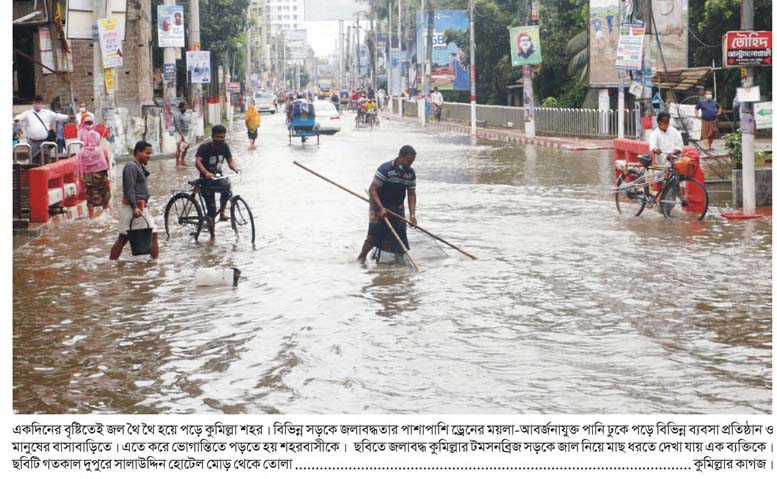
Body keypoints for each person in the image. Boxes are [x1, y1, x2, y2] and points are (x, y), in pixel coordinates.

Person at [357, 145, 418, 263]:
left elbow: (411, 194)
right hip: (379, 204)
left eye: (411, 162)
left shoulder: (410, 174)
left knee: (400, 236)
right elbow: (372, 190)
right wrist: (380, 208)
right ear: (400, 157)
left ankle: (399, 264)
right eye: (408, 161)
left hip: (397, 207)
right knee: (374, 234)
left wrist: (412, 214)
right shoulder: (385, 169)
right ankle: (361, 258)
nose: (409, 165)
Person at [110, 141, 159, 260]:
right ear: (138, 152)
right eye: (147, 153)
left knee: (123, 238)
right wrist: (135, 207)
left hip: (137, 207)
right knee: (152, 234)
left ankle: (112, 263)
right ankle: (155, 264)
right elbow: (129, 189)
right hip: (133, 208)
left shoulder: (138, 166)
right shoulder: (131, 167)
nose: (149, 156)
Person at [194, 125, 241, 238]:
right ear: (212, 136)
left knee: (227, 189)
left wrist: (235, 168)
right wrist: (206, 173)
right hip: (205, 180)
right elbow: (197, 162)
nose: (219, 139)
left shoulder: (224, 147)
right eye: (217, 137)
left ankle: (222, 213)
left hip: (218, 178)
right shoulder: (204, 147)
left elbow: (230, 161)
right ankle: (212, 237)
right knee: (211, 209)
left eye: (222, 137)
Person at [14, 95, 72, 164]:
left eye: (39, 103)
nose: (37, 105)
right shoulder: (27, 113)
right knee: (33, 162)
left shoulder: (47, 113)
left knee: (46, 161)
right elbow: (18, 118)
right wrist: (16, 120)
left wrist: (67, 117)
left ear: (41, 103)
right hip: (33, 143)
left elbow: (57, 116)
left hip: (45, 142)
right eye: (36, 103)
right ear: (33, 103)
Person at [75, 114, 111, 219]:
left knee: (90, 197)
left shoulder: (82, 152)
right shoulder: (100, 151)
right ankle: (106, 216)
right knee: (105, 194)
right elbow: (105, 165)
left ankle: (91, 218)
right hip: (101, 175)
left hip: (89, 177)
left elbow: (80, 167)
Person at [173, 102, 191, 166]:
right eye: (185, 107)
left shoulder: (182, 114)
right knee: (179, 148)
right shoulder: (177, 115)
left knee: (187, 146)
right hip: (179, 133)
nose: (186, 108)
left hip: (184, 133)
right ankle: (177, 163)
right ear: (181, 107)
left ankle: (182, 160)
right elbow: (177, 126)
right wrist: (181, 135)